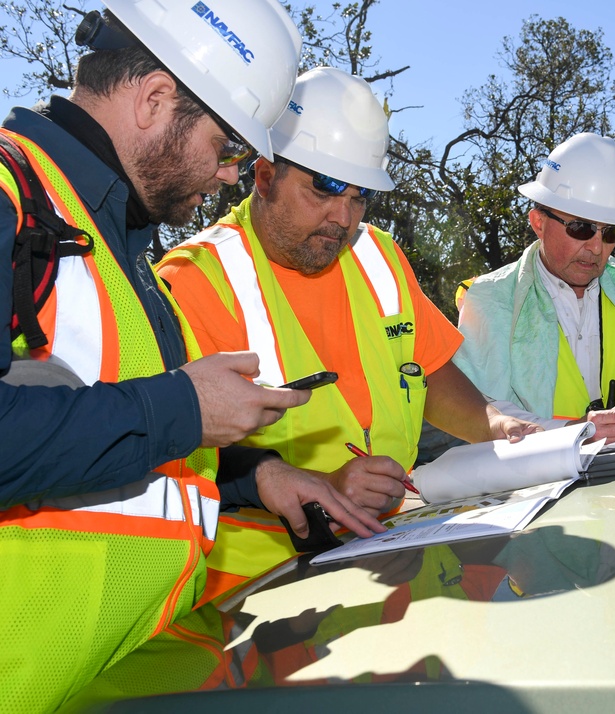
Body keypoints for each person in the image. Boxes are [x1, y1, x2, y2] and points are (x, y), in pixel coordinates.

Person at [0, 4, 384, 711]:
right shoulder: (12, 197)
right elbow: (157, 417)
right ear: (154, 100)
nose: (234, 175)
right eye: (227, 146)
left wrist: (257, 476)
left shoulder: (116, 235)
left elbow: (127, 441)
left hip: (118, 676)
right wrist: (182, 408)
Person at [156, 67, 539, 597]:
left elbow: (426, 368)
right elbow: (167, 450)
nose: (343, 217)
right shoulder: (193, 282)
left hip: (391, 551)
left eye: (359, 197)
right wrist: (323, 490)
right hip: (253, 588)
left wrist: (496, 424)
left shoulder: (379, 255)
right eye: (325, 188)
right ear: (265, 176)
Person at [452, 132, 615, 445]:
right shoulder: (489, 300)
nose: (595, 247)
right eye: (581, 228)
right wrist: (574, 433)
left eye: (611, 232)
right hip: (531, 487)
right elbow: (483, 409)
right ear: (538, 222)